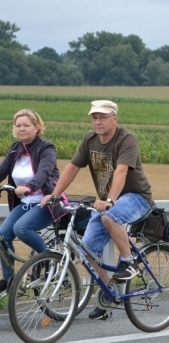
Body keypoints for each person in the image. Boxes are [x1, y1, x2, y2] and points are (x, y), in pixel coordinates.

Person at [41, 100, 154, 320]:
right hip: (106, 200)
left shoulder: (126, 139)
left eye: (102, 117)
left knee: (111, 217)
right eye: (94, 117)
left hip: (136, 197)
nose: (97, 121)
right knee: (88, 250)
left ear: (115, 119)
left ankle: (130, 262)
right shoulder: (90, 140)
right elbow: (72, 167)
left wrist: (110, 199)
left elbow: (121, 172)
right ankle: (109, 292)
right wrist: (55, 195)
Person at [0, 110, 61, 294]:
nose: (21, 129)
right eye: (18, 125)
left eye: (26, 125)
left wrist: (29, 187)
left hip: (45, 202)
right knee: (2, 236)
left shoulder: (46, 148)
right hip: (25, 203)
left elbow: (43, 172)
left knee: (21, 229)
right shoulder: (15, 148)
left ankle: (52, 261)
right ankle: (11, 281)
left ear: (37, 127)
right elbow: (2, 170)